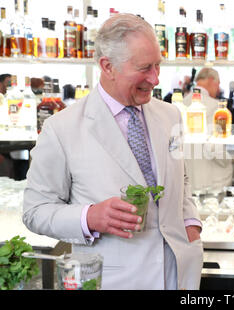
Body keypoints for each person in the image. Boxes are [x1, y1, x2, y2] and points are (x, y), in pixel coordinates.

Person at [22, 13, 203, 290]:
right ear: (107, 67)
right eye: (144, 68)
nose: (155, 79)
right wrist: (89, 217)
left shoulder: (170, 115)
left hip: (178, 273)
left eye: (158, 65)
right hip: (115, 280)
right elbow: (35, 211)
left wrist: (191, 224)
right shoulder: (61, 128)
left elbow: (183, 180)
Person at [183, 67, 232, 193]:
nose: (218, 88)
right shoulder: (214, 106)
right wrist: (228, 161)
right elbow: (214, 146)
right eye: (218, 83)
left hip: (188, 181)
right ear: (211, 80)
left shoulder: (181, 104)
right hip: (212, 181)